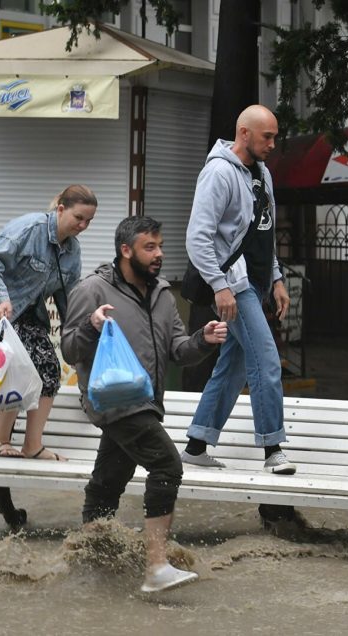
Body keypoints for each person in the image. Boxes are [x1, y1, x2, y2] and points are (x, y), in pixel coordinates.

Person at [61, 216, 227, 593]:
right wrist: (91, 324)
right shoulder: (93, 290)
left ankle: (90, 560)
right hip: (113, 401)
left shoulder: (163, 295)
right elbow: (70, 350)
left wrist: (204, 338)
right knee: (167, 464)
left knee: (107, 484)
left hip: (146, 402)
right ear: (126, 250)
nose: (159, 254)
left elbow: (179, 352)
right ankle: (156, 566)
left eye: (160, 246)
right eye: (149, 247)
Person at [180, 104, 296, 475]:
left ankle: (197, 444)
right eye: (268, 136)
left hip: (258, 282)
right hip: (234, 285)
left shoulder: (262, 173)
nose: (273, 144)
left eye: (275, 136)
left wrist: (276, 278)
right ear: (244, 133)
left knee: (233, 366)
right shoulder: (218, 173)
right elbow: (197, 238)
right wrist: (219, 285)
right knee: (266, 360)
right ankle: (273, 448)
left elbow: (265, 231)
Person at [0, 185, 98, 461]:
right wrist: (2, 297)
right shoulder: (28, 229)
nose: (83, 225)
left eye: (89, 221)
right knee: (16, 363)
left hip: (25, 314)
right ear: (61, 209)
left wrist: (83, 327)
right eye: (78, 218)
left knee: (48, 367)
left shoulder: (72, 251)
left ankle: (32, 446)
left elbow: (67, 297)